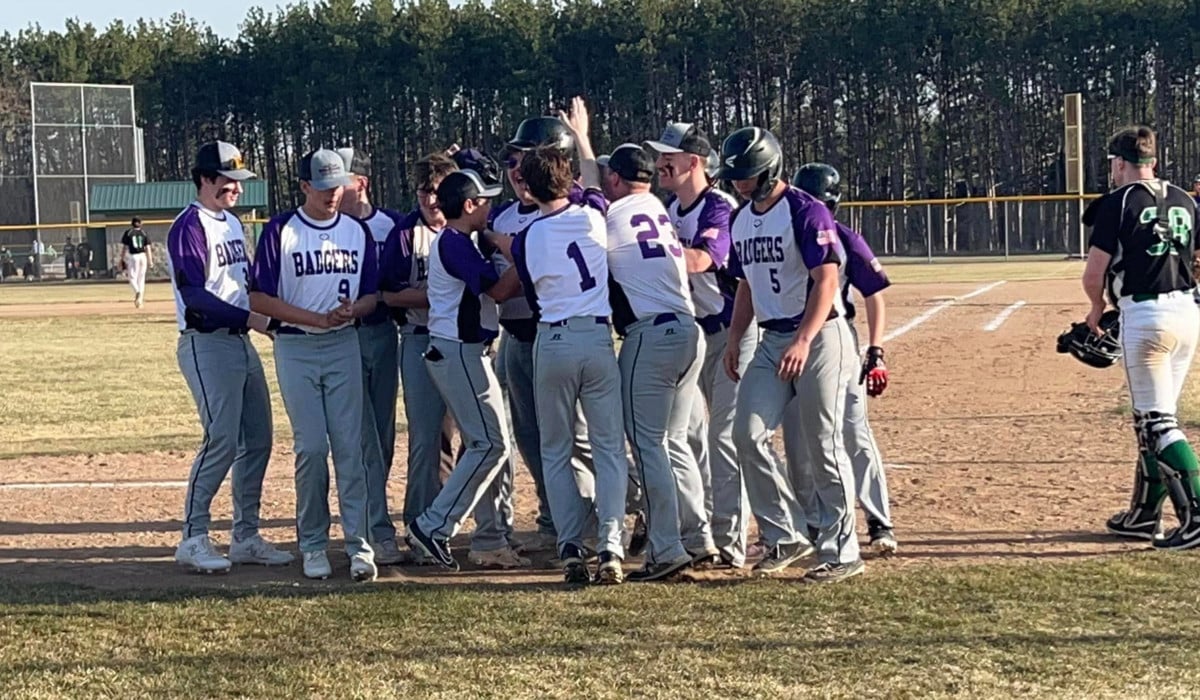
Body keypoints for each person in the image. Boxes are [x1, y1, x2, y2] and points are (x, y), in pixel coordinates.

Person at [717, 126, 863, 584]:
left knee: (823, 441)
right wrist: (735, 337)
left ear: (771, 168)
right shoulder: (740, 220)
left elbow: (827, 280)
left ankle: (842, 549)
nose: (741, 183)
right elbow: (745, 285)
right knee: (746, 433)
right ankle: (784, 534)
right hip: (771, 338)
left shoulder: (806, 209)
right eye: (736, 175)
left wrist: (803, 339)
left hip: (820, 335)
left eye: (749, 174)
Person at [509, 99, 628, 584]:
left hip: (553, 341)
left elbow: (533, 291)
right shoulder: (593, 215)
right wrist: (582, 135)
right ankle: (613, 545)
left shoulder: (526, 236)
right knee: (607, 449)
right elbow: (593, 181)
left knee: (555, 450)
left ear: (530, 189)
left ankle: (570, 545)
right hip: (597, 339)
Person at [250, 148, 380, 582]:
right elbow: (259, 298)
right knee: (310, 448)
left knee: (350, 448)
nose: (331, 195)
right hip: (296, 345)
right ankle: (312, 543)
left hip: (344, 343)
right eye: (322, 187)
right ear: (305, 186)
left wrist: (351, 311)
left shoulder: (356, 232)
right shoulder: (281, 230)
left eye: (337, 185)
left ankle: (360, 545)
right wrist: (315, 318)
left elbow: (372, 293)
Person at [168, 140, 294, 574]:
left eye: (239, 182)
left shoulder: (232, 224)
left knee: (258, 438)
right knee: (221, 438)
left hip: (239, 341)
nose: (236, 189)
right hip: (206, 342)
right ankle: (194, 536)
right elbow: (196, 297)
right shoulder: (189, 225)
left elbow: (248, 284)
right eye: (227, 180)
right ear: (205, 178)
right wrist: (255, 320)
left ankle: (245, 535)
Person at [483, 116, 596, 556]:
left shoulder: (576, 207)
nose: (515, 168)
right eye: (512, 159)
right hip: (516, 338)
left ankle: (599, 520)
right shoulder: (503, 213)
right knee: (532, 439)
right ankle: (556, 518)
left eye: (524, 159)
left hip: (560, 336)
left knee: (578, 439)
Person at [1085, 126, 1200, 550]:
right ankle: (1144, 514)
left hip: (1146, 315)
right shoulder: (1186, 199)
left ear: (1119, 163)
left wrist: (1096, 309)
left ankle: (1197, 514)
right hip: (1187, 312)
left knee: (1157, 422)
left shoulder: (1117, 203)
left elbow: (1094, 273)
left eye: (1112, 166)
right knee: (1153, 418)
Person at [602, 143, 712, 583]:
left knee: (647, 445)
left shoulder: (610, 216)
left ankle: (665, 546)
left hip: (651, 336)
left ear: (614, 180)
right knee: (672, 442)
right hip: (689, 330)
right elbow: (610, 183)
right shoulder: (656, 207)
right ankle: (698, 536)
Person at [404, 168, 524, 570]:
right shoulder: (454, 243)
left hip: (463, 350)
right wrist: (532, 254)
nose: (491, 206)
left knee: (491, 443)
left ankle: (437, 525)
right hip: (458, 350)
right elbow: (500, 290)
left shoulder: (462, 240)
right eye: (485, 199)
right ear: (469, 205)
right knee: (490, 444)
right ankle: (433, 525)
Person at [646, 121, 751, 569]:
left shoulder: (718, 206)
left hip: (733, 331)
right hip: (693, 334)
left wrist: (649, 247)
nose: (660, 163)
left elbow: (705, 259)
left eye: (668, 156)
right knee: (686, 436)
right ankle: (702, 531)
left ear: (694, 162)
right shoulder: (671, 208)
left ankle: (731, 541)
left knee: (724, 437)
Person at [792, 162, 898, 556]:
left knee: (853, 432)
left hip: (836, 340)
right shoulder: (785, 235)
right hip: (790, 341)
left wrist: (876, 350)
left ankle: (878, 519)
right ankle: (818, 523)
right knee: (804, 438)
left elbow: (874, 294)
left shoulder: (845, 238)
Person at [379, 151, 471, 563]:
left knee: (476, 438)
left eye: (437, 191)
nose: (430, 200)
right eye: (423, 190)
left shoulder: (469, 228)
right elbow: (390, 293)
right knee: (427, 437)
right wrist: (444, 296)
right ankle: (419, 521)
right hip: (420, 338)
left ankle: (465, 523)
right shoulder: (405, 233)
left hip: (469, 341)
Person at [336, 147, 406, 566]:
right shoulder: (327, 227)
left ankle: (370, 521)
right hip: (344, 336)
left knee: (381, 436)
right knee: (361, 437)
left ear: (360, 182)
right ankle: (375, 529)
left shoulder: (391, 225)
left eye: (339, 180)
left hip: (382, 333)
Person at [121, 217, 151, 307]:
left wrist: (122, 258)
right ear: (140, 223)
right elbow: (148, 248)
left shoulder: (128, 233)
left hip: (133, 256)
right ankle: (140, 301)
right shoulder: (143, 233)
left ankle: (137, 292)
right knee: (141, 279)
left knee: (132, 278)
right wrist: (150, 260)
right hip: (143, 256)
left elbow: (125, 248)